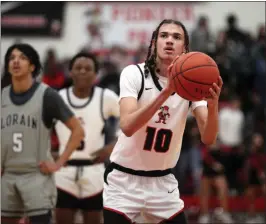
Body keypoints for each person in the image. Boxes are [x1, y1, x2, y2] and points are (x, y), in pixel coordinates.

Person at [103, 19, 223, 224]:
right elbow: (128, 126)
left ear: (184, 48)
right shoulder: (135, 74)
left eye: (176, 37)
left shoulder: (192, 84)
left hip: (162, 182)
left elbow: (209, 137)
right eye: (164, 36)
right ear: (154, 43)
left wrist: (213, 105)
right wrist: (167, 92)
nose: (169, 41)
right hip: (123, 180)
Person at [1, 43, 85, 224]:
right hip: (6, 175)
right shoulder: (2, 96)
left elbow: (77, 130)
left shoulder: (47, 95)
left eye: (22, 58)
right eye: (12, 58)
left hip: (36, 174)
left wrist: (58, 163)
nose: (16, 62)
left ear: (32, 66)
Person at [54, 52, 120, 224]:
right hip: (64, 172)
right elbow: (39, 128)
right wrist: (47, 151)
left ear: (95, 74)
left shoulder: (106, 97)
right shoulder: (57, 98)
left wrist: (112, 146)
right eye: (78, 68)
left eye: (88, 68)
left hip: (94, 171)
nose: (83, 71)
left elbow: (131, 122)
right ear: (70, 72)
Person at [198, 141, 234, 224]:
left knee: (223, 190)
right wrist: (213, 164)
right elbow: (203, 152)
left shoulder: (223, 137)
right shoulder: (205, 137)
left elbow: (227, 150)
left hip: (219, 169)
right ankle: (204, 215)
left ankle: (225, 213)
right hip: (207, 169)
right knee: (204, 193)